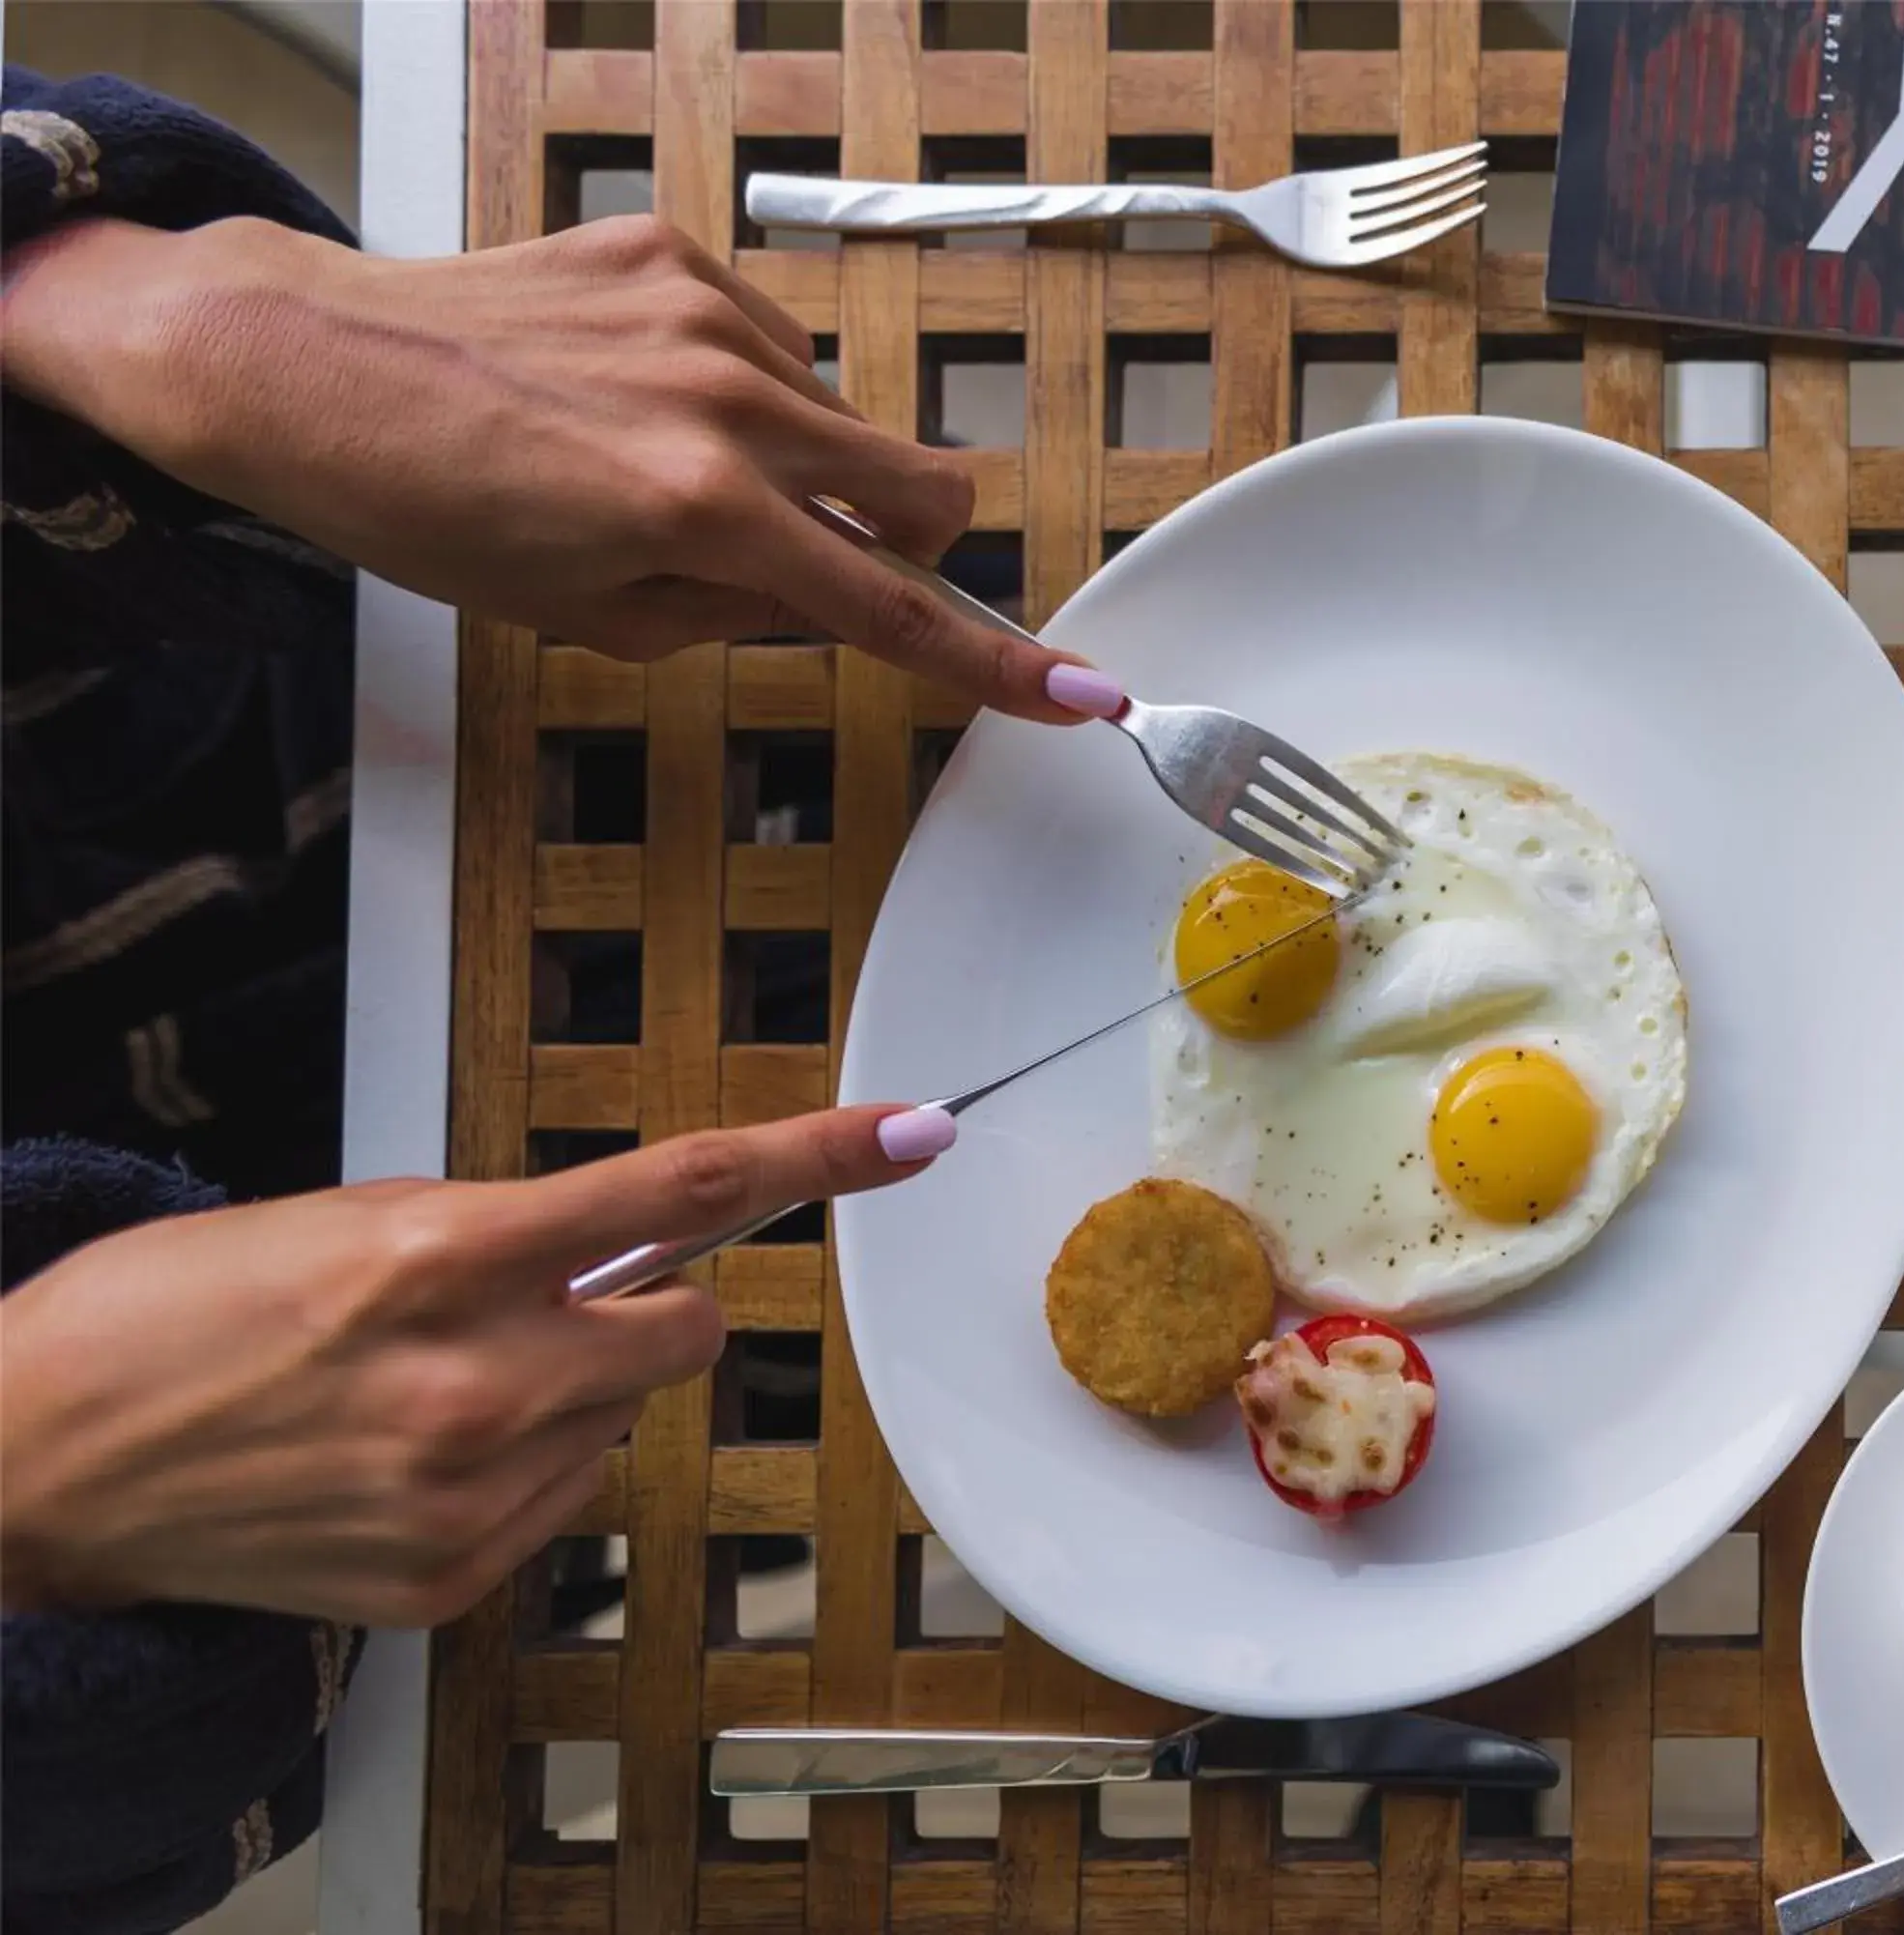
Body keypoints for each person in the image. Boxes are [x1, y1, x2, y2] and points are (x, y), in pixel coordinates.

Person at [0, 65, 1120, 1930]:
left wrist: (104, 303)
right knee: (830, 1372)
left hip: (349, 644)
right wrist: (32, 1477)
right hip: (395, 1417)